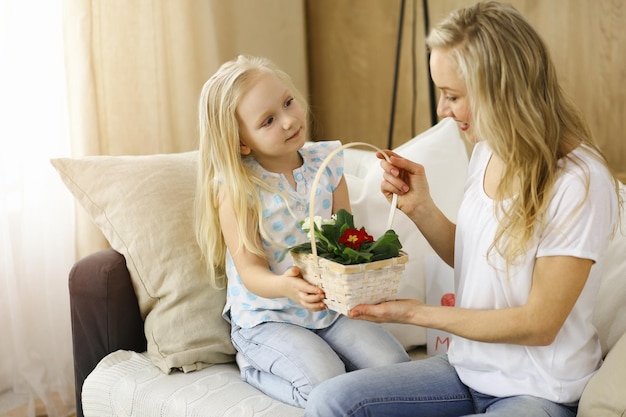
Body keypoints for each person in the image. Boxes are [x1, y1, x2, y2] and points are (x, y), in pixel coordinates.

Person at [304, 2, 623, 416]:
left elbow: (540, 324)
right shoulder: (488, 150)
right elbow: (477, 262)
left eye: (452, 95)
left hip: (538, 391)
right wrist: (421, 208)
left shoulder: (578, 180)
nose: (441, 110)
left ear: (500, 89)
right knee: (331, 402)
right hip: (466, 370)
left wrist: (420, 314)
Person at [194, 55, 410, 408]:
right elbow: (250, 271)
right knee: (328, 385)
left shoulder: (328, 163)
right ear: (242, 143)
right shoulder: (238, 188)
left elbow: (344, 239)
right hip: (270, 317)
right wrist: (287, 286)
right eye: (268, 120)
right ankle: (253, 370)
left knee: (397, 370)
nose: (289, 120)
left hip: (330, 308)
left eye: (288, 102)